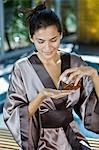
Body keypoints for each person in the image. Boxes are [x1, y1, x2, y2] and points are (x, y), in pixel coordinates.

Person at [3, 2, 99, 150]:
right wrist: (41, 96)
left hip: (72, 137)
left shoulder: (75, 62)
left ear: (61, 34)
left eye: (53, 40)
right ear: (31, 38)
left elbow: (94, 108)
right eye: (41, 41)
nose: (47, 48)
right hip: (40, 141)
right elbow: (14, 114)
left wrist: (94, 75)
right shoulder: (22, 68)